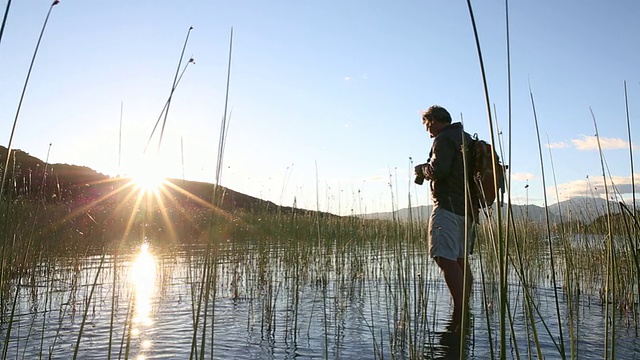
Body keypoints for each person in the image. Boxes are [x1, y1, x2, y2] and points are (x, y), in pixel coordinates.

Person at [416, 105, 476, 323]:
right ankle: (464, 307)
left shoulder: (443, 139)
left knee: (443, 257)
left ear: (434, 120)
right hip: (467, 211)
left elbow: (439, 170)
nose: (427, 130)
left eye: (427, 125)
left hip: (448, 207)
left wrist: (423, 169)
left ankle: (459, 312)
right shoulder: (465, 138)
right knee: (459, 259)